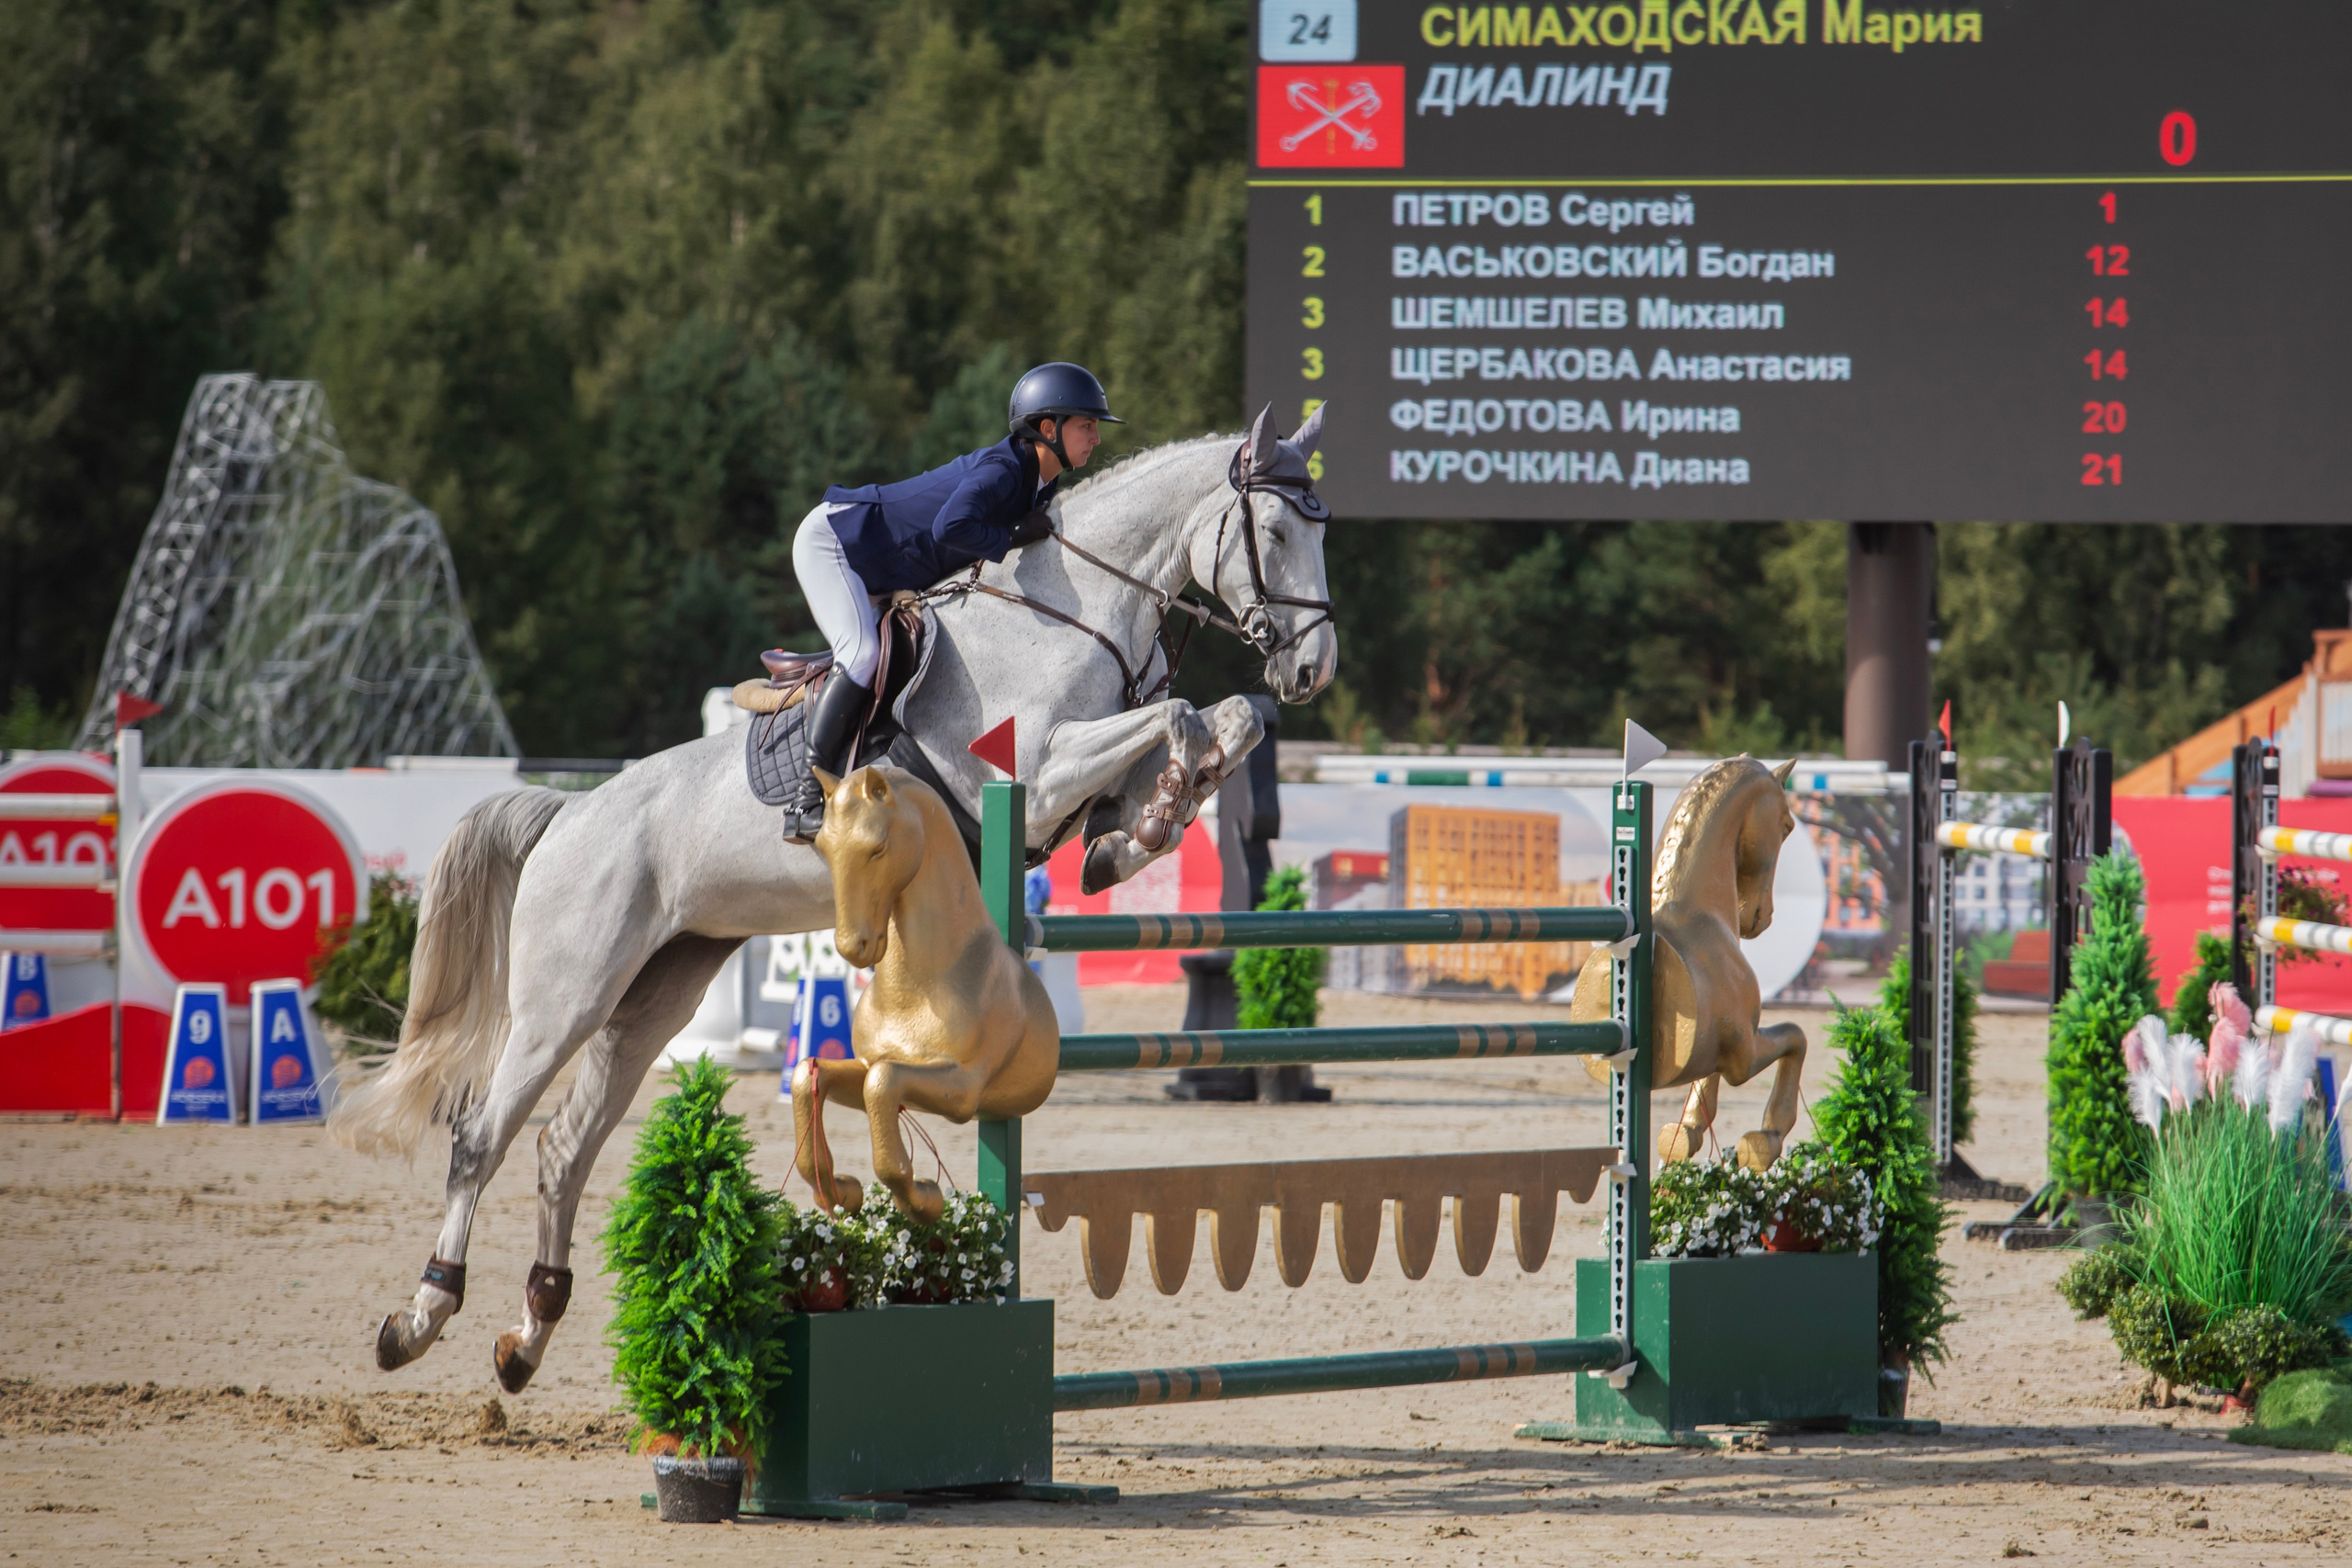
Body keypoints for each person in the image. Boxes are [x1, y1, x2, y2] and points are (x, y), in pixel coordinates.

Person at [781, 362, 1123, 841]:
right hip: (837, 542)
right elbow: (950, 527)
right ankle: (804, 800)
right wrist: (1010, 535)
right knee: (861, 655)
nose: (1096, 437)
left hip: (884, 566)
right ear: (1049, 429)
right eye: (1087, 425)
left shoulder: (1042, 482)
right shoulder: (1005, 469)